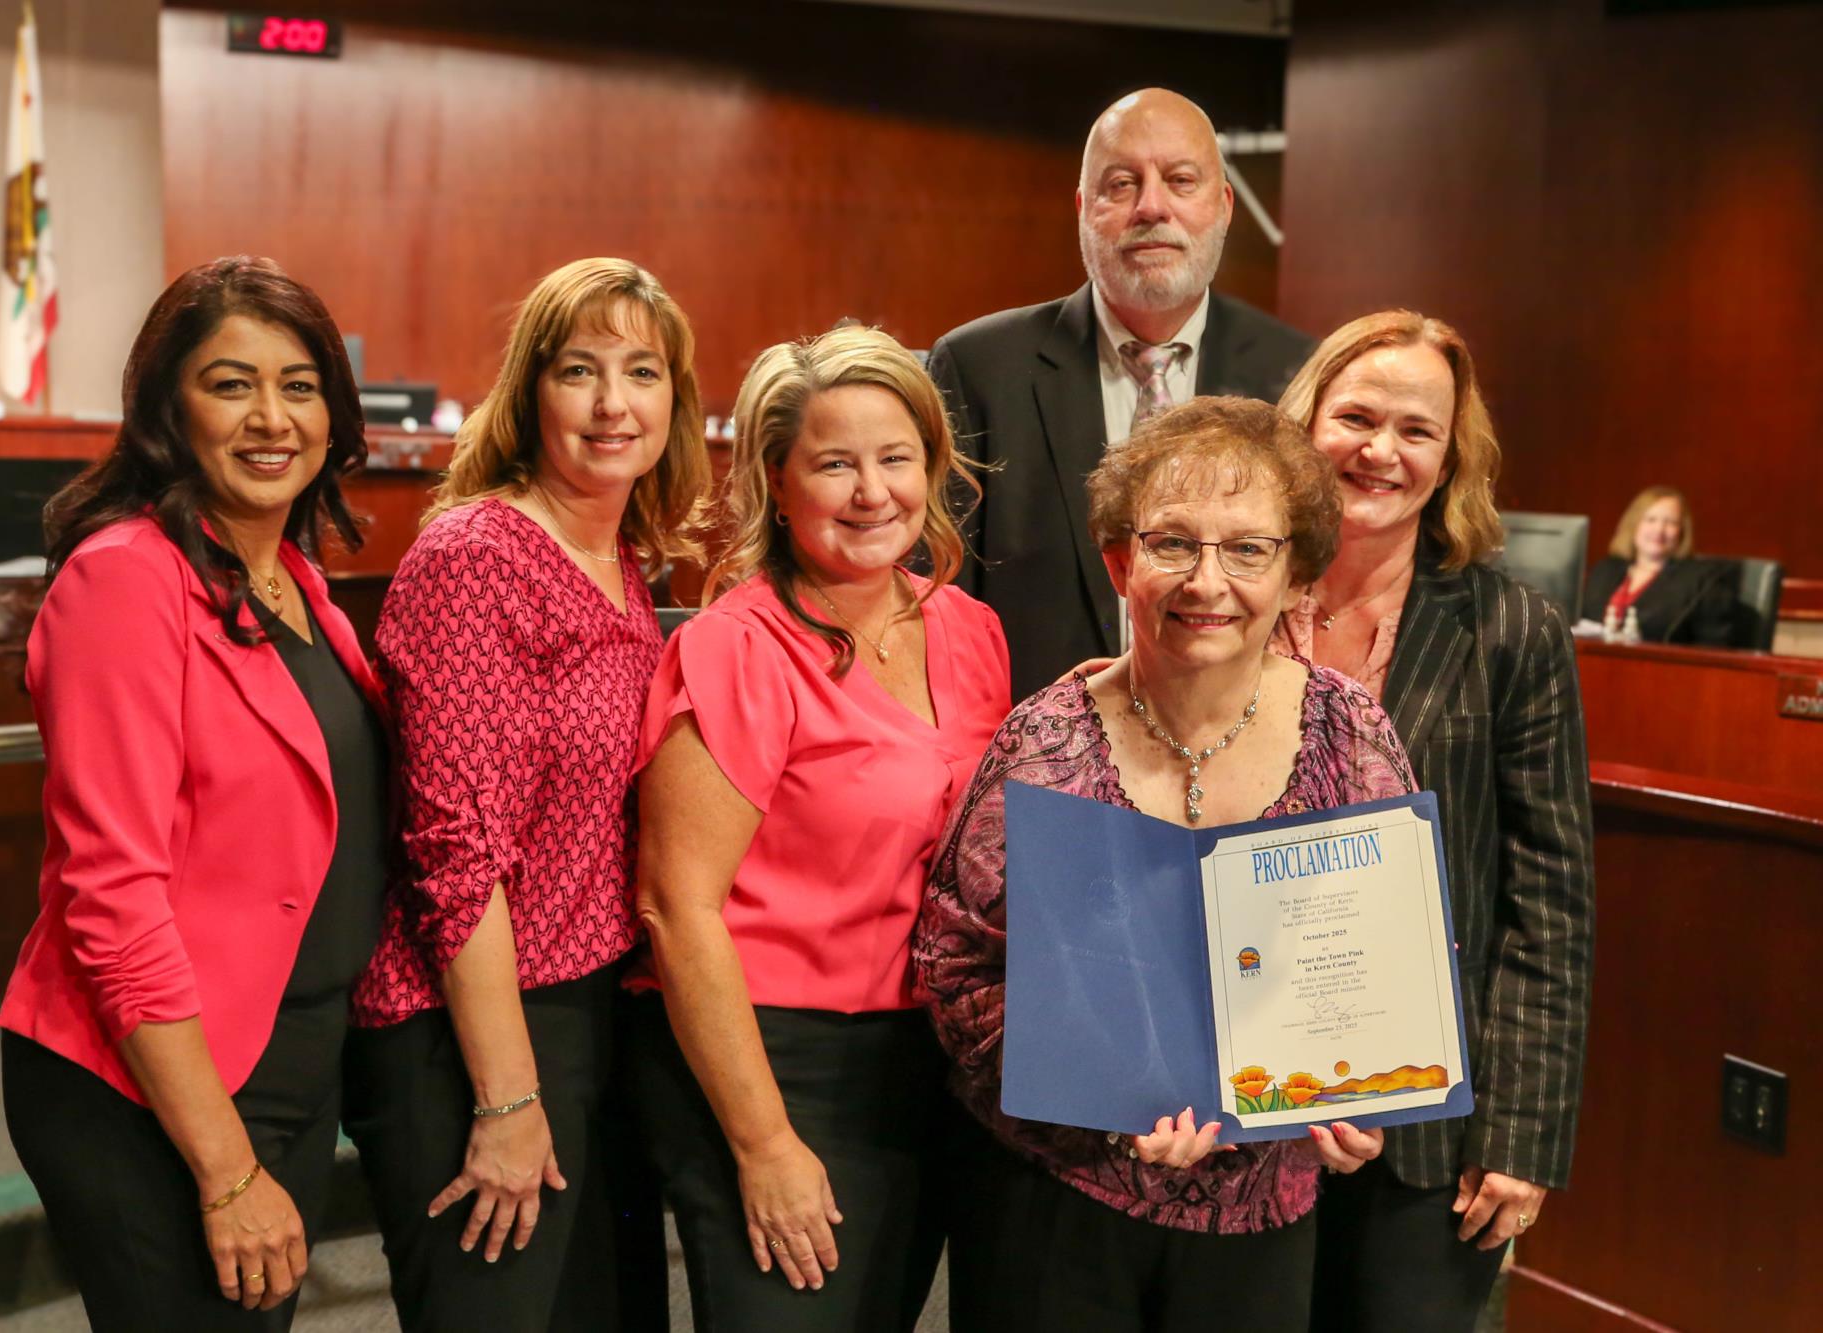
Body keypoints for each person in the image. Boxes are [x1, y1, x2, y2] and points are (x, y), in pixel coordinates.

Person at [914, 396, 1397, 1332]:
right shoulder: (1045, 738)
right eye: (1173, 542)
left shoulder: (1351, 735)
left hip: (1263, 1215)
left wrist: (1361, 1095)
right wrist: (1101, 1094)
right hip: (1055, 1202)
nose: (1206, 581)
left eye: (1248, 549)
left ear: (1297, 573)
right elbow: (952, 962)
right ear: (1120, 561)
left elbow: (1387, 959)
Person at [0, 256, 384, 1330]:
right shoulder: (125, 577)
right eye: (230, 384)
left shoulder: (293, 580)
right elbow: (110, 890)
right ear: (169, 408)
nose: (272, 417)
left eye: (299, 385)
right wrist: (221, 1168)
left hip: (287, 1060)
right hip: (151, 1084)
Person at [343, 257, 707, 1332]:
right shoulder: (475, 554)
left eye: (641, 372)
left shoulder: (623, 558)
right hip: (468, 1032)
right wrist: (506, 1097)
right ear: (528, 392)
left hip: (587, 1004)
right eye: (578, 370)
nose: (611, 404)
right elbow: (456, 858)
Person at [633, 324, 1011, 1329]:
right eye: (833, 463)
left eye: (894, 459)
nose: (870, 492)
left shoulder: (968, 629)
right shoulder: (734, 649)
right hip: (775, 1064)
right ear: (774, 478)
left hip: (931, 1062)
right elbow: (677, 911)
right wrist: (763, 1143)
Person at [1273, 311, 1596, 1331]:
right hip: (1231, 1098)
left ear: (1450, 455)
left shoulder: (1509, 628)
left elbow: (1548, 897)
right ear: (1304, 420)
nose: (1380, 450)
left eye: (1416, 430)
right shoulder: (1227, 592)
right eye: (1355, 417)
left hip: (1422, 1124)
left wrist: (1522, 1133)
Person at [928, 87, 1315, 699]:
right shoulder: (979, 368)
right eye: (1121, 184)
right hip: (1029, 761)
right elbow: (935, 600)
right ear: (1084, 208)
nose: (1151, 207)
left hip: (1239, 764)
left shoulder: (1296, 373)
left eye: (1181, 181)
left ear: (1224, 205)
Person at [1580, 485, 1734, 645]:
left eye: (1671, 523)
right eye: (1650, 519)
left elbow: (1714, 647)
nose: (1659, 530)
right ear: (1633, 525)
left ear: (1682, 531)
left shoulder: (1702, 581)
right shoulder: (1605, 570)